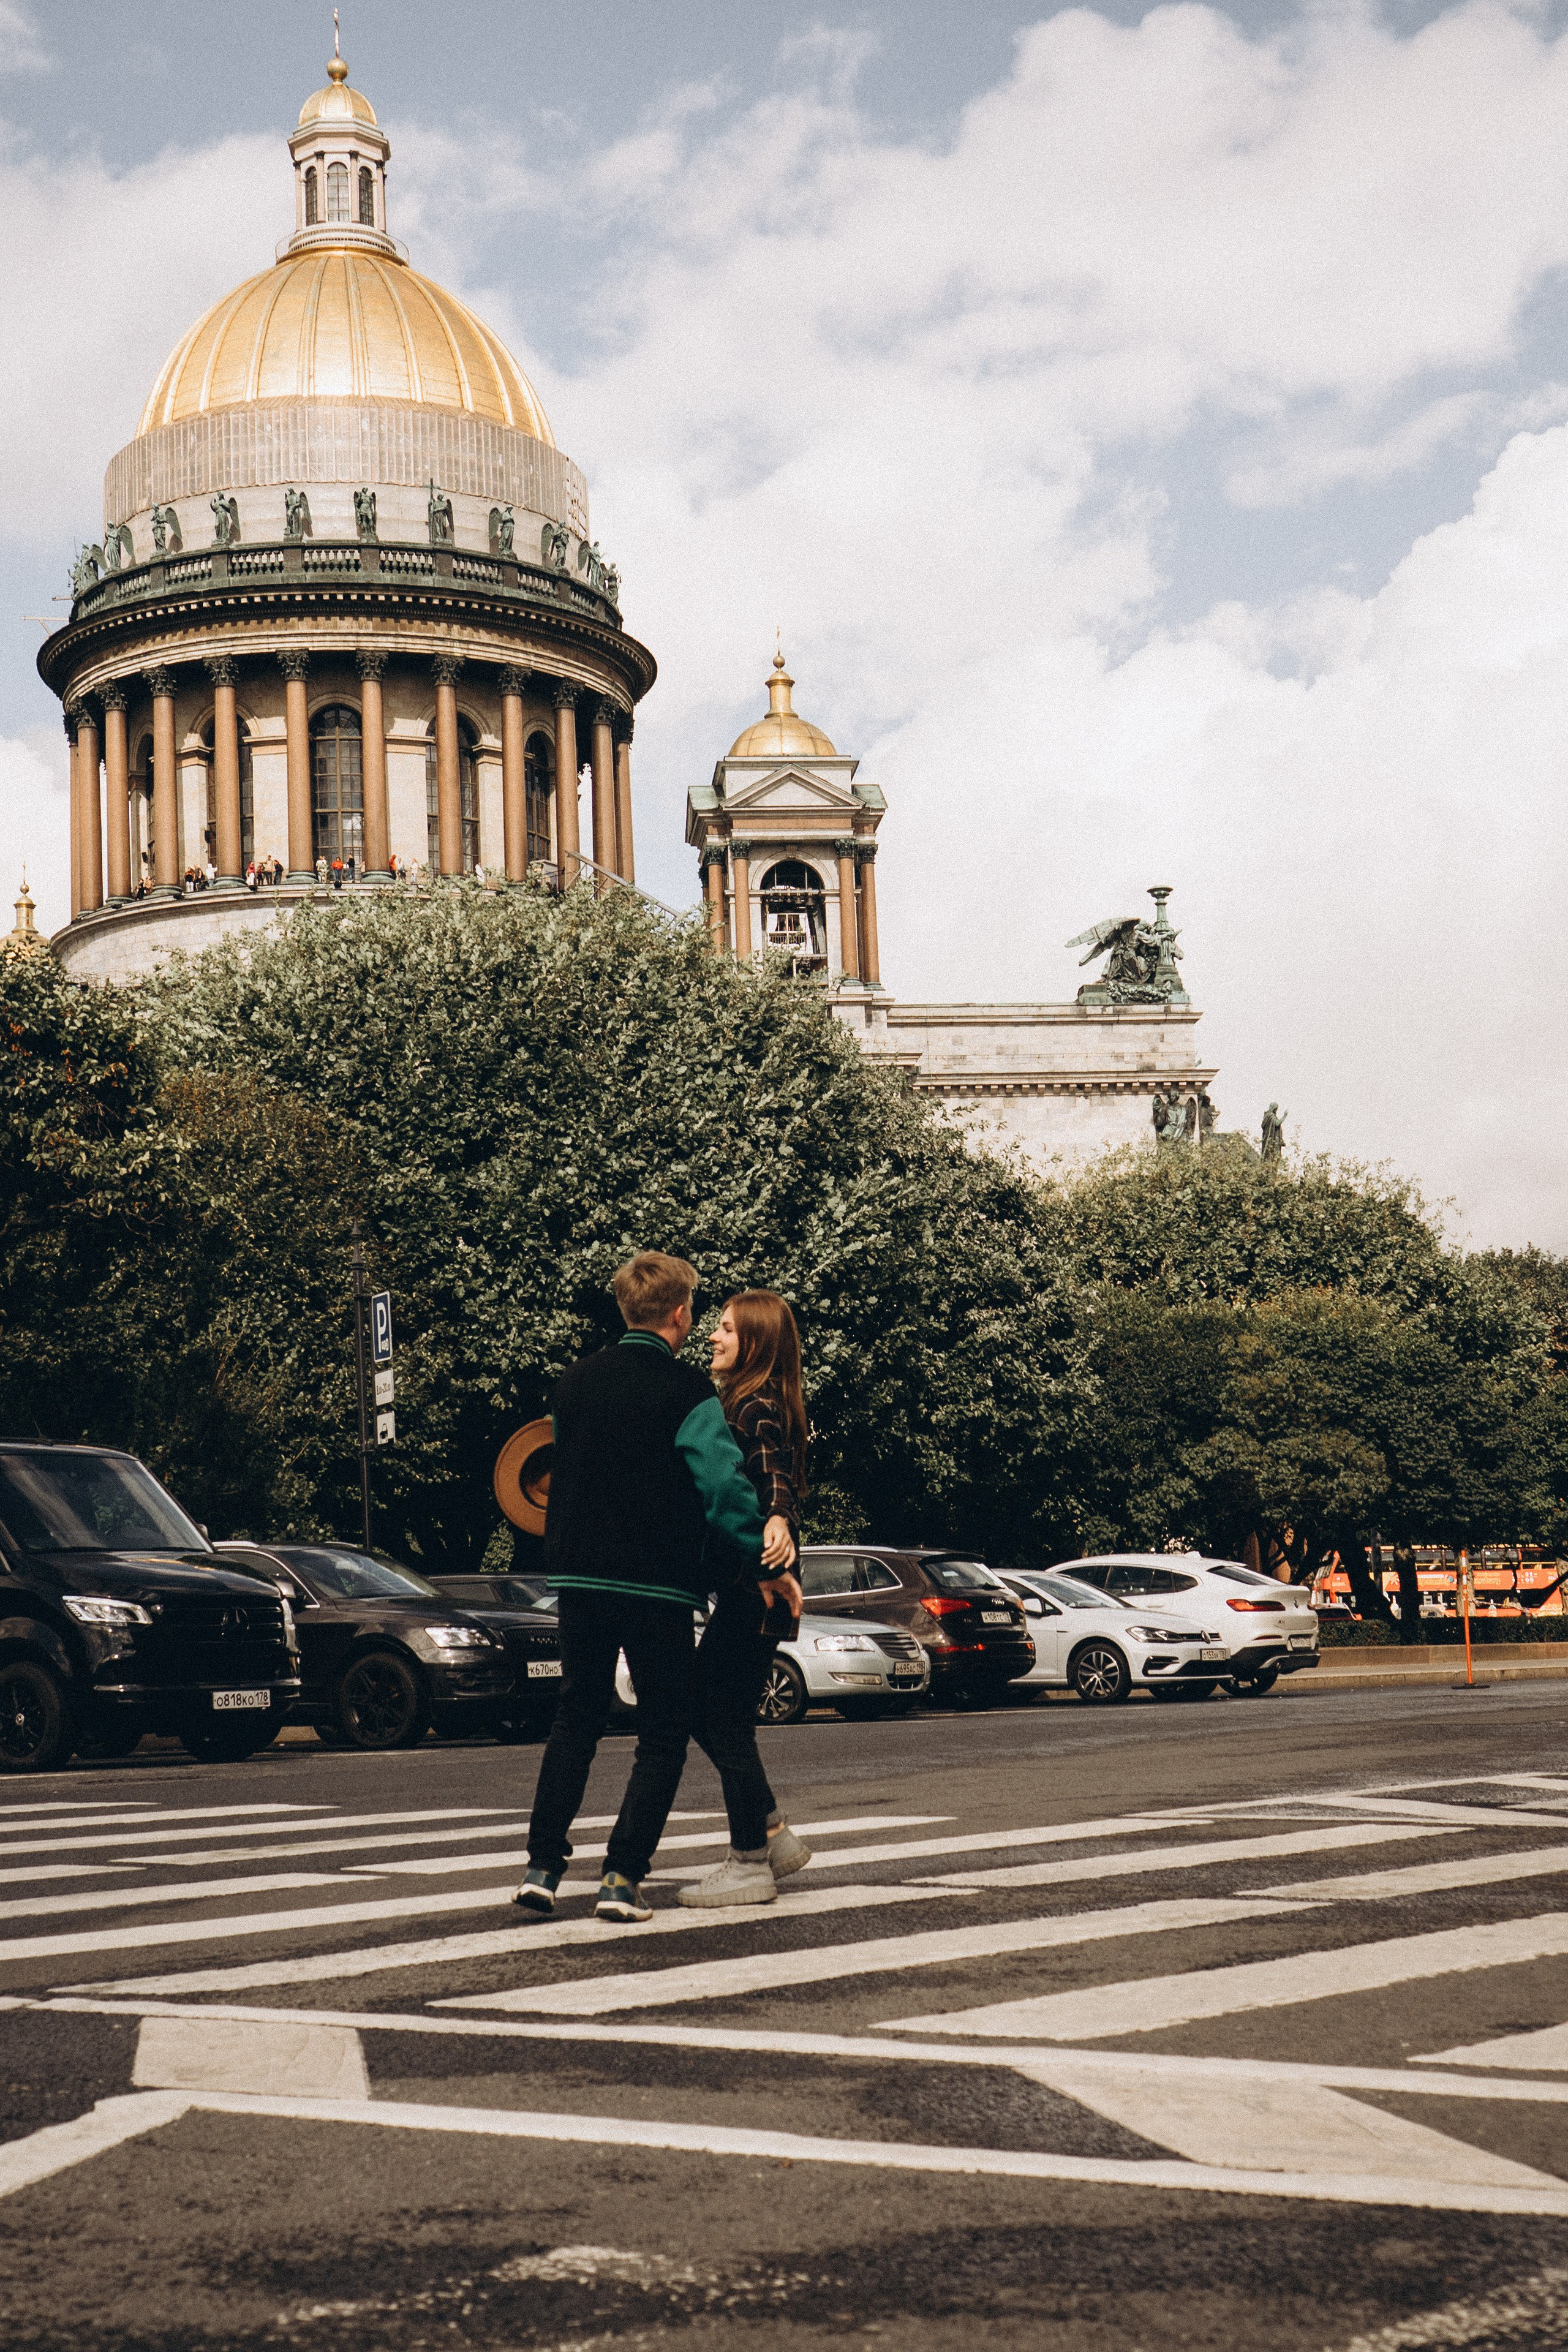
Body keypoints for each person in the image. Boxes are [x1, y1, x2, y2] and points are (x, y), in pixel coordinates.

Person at [516, 1251, 790, 1924]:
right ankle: (620, 1877)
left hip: (578, 1579)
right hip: (657, 1588)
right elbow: (724, 1488)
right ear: (679, 1313)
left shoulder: (572, 1384)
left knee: (574, 1720)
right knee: (662, 1732)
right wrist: (763, 1559)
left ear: (622, 1308)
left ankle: (543, 1867)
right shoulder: (687, 1392)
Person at [680, 1289, 810, 1909]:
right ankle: (772, 1836)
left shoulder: (752, 1406)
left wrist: (779, 1516)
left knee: (721, 1719)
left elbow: (771, 1469)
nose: (713, 1336)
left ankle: (750, 1861)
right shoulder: (748, 1402)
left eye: (727, 1329)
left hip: (753, 1590)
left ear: (754, 1342)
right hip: (749, 1592)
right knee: (706, 1711)